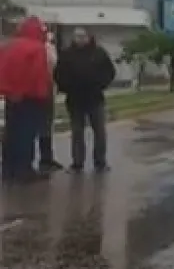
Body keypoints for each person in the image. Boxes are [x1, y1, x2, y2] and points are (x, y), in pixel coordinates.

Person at [54, 27, 116, 173]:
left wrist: (100, 84)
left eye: (82, 36)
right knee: (77, 132)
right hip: (75, 99)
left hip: (95, 98)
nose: (79, 39)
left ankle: (100, 162)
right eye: (77, 36)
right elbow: (58, 74)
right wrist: (67, 87)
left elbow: (110, 72)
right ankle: (77, 163)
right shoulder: (67, 54)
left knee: (99, 131)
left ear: (89, 37)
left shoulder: (99, 53)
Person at [0, 16, 54, 182]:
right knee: (27, 133)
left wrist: (9, 91)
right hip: (30, 97)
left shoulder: (9, 46)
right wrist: (41, 94)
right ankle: (24, 170)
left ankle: (8, 169)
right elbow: (37, 75)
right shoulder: (37, 48)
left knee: (11, 132)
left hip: (11, 96)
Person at [37, 30, 63, 172]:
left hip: (41, 89)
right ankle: (45, 158)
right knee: (45, 124)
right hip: (45, 88)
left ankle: (45, 158)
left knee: (43, 125)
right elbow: (54, 65)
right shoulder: (46, 48)